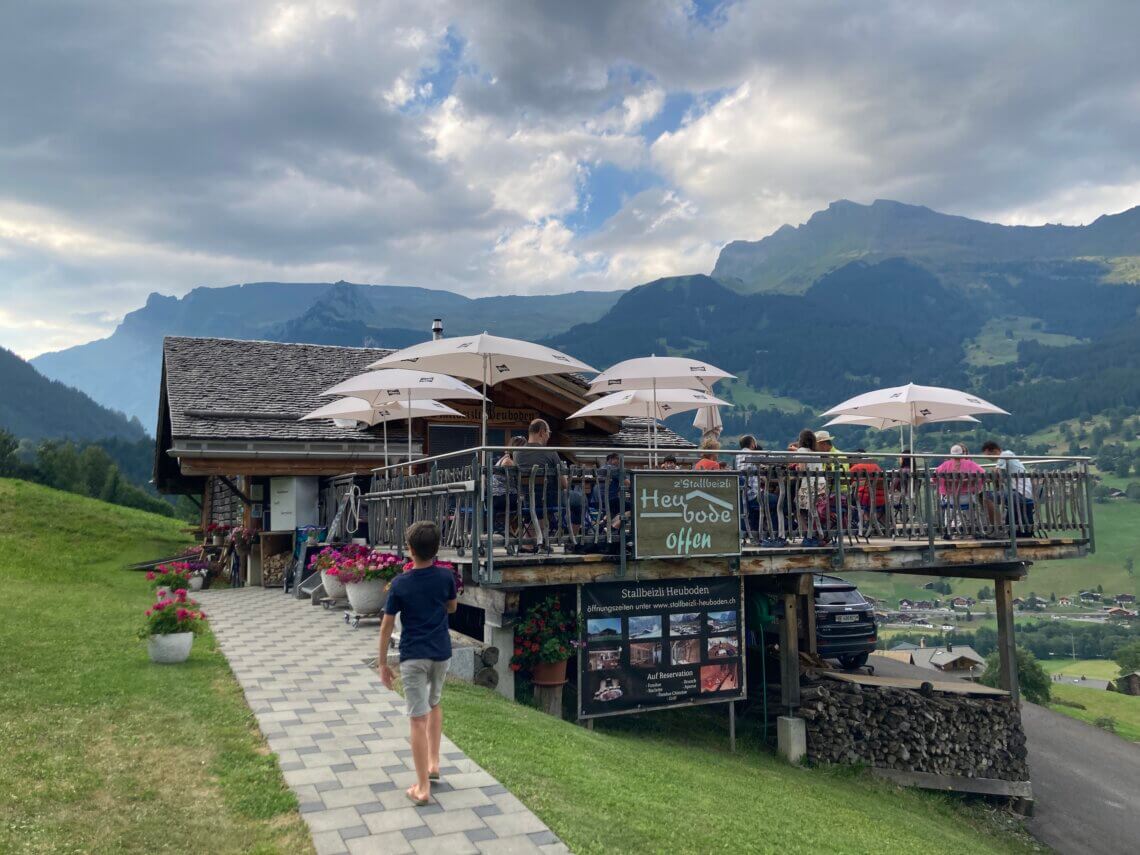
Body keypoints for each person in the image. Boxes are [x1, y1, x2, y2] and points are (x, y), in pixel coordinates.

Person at [379, 521, 458, 807]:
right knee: (434, 704)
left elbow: (387, 626)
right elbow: (451, 607)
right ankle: (434, 764)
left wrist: (382, 663)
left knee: (417, 718)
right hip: (441, 653)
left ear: (410, 550)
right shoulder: (447, 577)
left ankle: (422, 787)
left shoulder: (400, 584)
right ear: (437, 549)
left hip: (414, 656)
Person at [513, 419, 568, 532]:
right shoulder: (551, 453)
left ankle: (533, 537)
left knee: (536, 502)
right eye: (548, 432)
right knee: (580, 500)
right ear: (542, 432)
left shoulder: (516, 453)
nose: (549, 436)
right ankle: (573, 540)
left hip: (526, 501)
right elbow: (564, 484)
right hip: (549, 500)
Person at [981, 440, 1035, 535]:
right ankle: (999, 526)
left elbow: (995, 473)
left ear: (994, 451)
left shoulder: (1005, 454)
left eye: (988, 455)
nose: (988, 459)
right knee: (991, 496)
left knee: (986, 496)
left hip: (1019, 493)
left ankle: (996, 528)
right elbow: (998, 476)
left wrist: (987, 477)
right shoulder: (1006, 457)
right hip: (1021, 493)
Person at [934, 444, 986, 537]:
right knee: (973, 510)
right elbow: (982, 473)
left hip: (952, 499)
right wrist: (970, 481)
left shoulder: (946, 464)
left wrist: (948, 481)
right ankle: (976, 529)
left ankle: (948, 530)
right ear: (962, 453)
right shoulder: (969, 463)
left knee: (948, 510)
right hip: (968, 498)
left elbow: (935, 476)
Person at [849, 449, 886, 532]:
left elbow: (848, 483)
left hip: (864, 499)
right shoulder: (876, 466)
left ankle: (863, 522)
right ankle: (872, 522)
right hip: (881, 499)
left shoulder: (856, 468)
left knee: (849, 500)